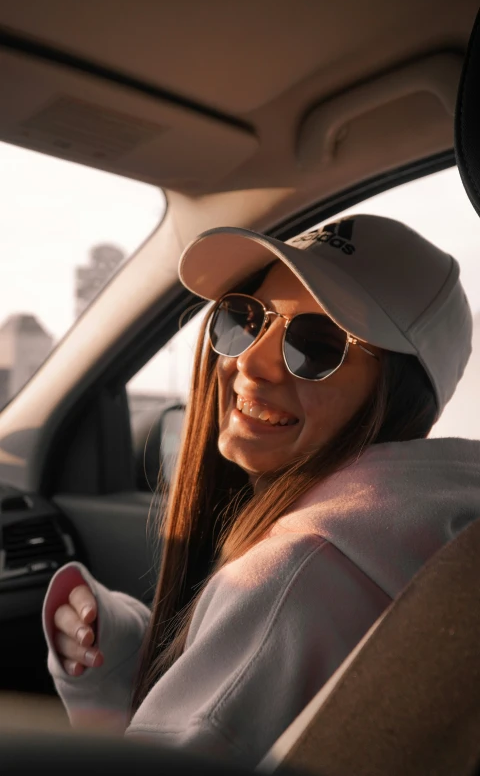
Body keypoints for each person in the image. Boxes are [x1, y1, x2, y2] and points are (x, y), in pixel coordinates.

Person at [43, 214, 480, 766]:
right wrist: (131, 650)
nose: (251, 361)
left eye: (318, 345)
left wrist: (97, 693)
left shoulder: (298, 574)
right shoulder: (443, 537)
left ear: (401, 393)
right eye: (245, 319)